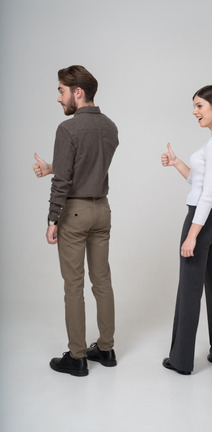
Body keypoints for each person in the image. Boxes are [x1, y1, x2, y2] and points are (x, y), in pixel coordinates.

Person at [33, 65, 119, 377]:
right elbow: (89, 164)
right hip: (102, 210)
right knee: (103, 281)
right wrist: (52, 166)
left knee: (74, 285)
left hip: (75, 213)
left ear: (77, 92)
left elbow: (66, 181)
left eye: (61, 90)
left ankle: (78, 356)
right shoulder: (110, 127)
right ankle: (107, 349)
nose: (59, 98)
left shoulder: (66, 129)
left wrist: (52, 218)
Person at [161, 84, 212, 375]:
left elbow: (205, 195)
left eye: (199, 106)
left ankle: (181, 361)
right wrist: (177, 162)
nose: (195, 112)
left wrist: (192, 234)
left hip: (203, 219)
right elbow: (203, 183)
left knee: (189, 290)